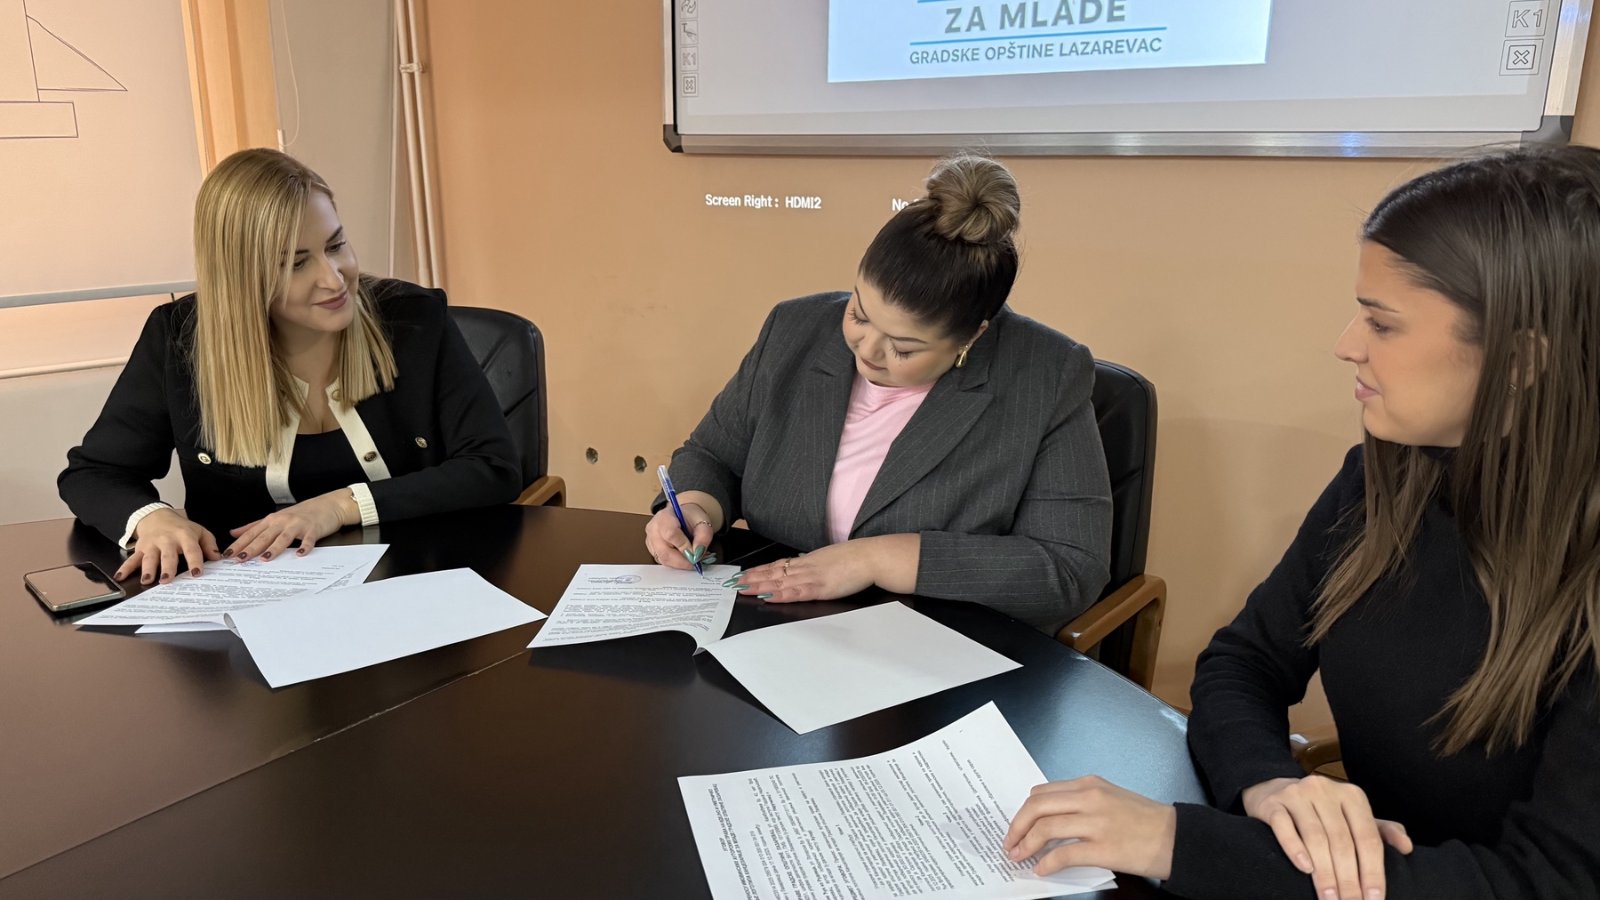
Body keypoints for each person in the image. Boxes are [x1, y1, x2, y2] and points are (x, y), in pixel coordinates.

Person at [1003, 146, 1600, 899]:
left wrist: (1179, 842)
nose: (1347, 345)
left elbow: (1554, 883)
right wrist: (1270, 786)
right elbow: (1243, 663)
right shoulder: (1385, 481)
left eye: (1382, 324)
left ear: (1520, 363)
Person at [643, 154, 1112, 632]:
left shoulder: (1046, 376)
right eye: (859, 314)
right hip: (774, 626)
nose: (866, 350)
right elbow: (713, 455)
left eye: (903, 348)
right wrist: (696, 508)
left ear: (972, 336)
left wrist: (876, 559)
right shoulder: (795, 329)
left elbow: (1069, 568)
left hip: (936, 644)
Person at [59, 148, 521, 586]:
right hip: (247, 601)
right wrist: (152, 519)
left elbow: (492, 466)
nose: (333, 278)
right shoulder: (179, 339)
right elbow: (94, 473)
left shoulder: (414, 320)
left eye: (336, 245)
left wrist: (340, 506)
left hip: (418, 583)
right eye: (297, 263)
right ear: (242, 277)